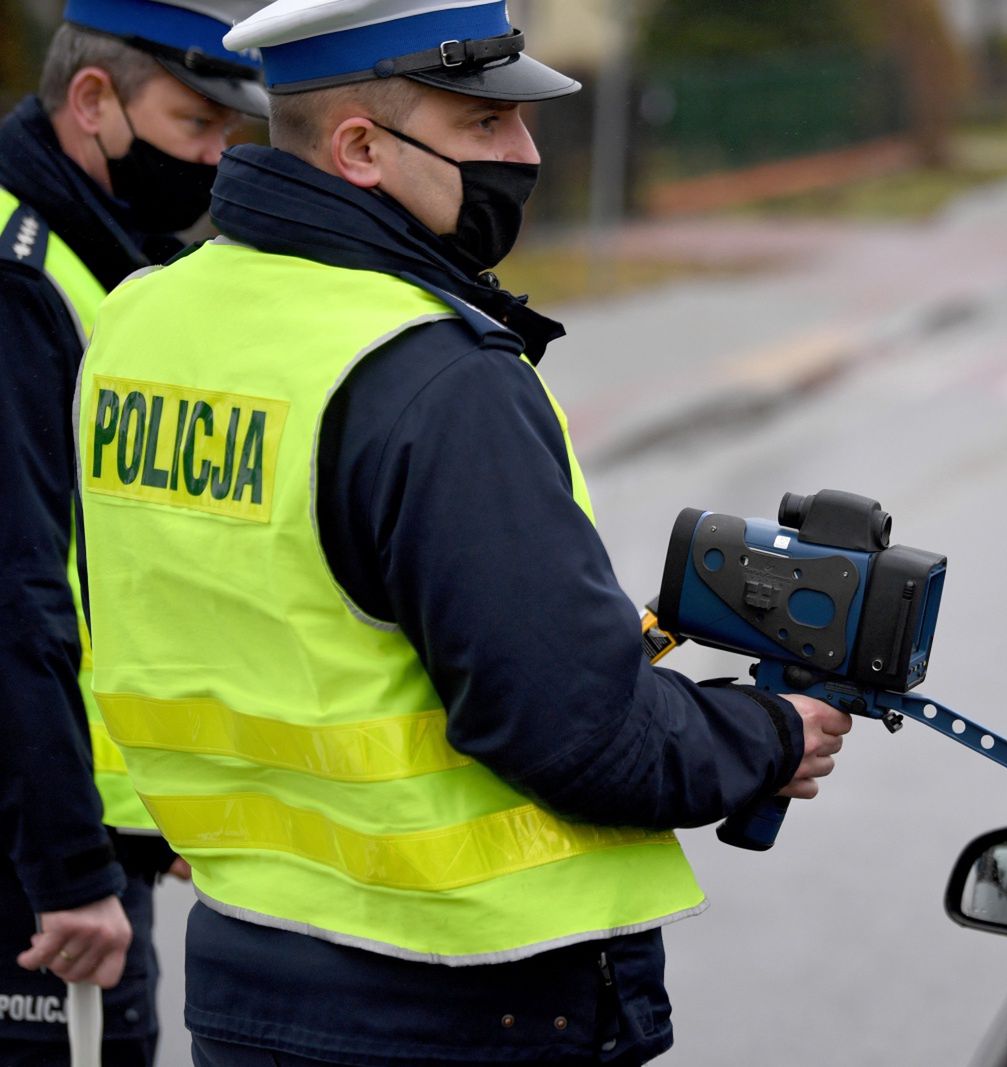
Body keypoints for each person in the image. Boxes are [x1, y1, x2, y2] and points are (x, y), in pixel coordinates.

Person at [74, 1, 853, 1063]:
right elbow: (575, 731)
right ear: (359, 148)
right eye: (485, 127)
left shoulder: (140, 321)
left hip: (249, 969)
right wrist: (767, 737)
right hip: (465, 1000)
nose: (525, 154)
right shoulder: (432, 371)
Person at [0, 1, 265, 1063]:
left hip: (78, 813)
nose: (212, 159)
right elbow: (18, 586)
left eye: (228, 135)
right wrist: (67, 870)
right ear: (93, 100)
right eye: (195, 124)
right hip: (34, 845)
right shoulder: (23, 276)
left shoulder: (100, 253)